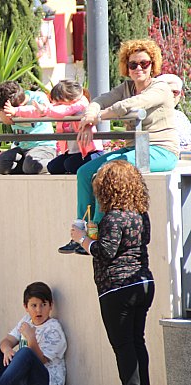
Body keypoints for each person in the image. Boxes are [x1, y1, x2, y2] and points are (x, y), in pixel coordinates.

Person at [60, 39, 179, 255]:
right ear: (127, 67)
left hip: (161, 150)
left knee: (104, 173)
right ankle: (80, 230)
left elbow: (131, 105)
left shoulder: (160, 87)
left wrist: (98, 117)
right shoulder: (126, 87)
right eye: (133, 64)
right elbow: (100, 99)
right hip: (135, 148)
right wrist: (89, 114)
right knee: (84, 172)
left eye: (144, 63)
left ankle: (94, 234)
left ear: (153, 64)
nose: (139, 68)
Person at [70, 160, 153, 385]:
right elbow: (133, 243)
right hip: (143, 283)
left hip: (117, 287)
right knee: (137, 341)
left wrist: (81, 239)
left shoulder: (113, 216)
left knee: (123, 345)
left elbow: (105, 252)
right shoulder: (140, 214)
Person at [7, 80, 104, 174]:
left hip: (91, 153)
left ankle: (99, 164)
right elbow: (37, 111)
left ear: (71, 100)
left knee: (69, 164)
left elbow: (63, 110)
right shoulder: (59, 108)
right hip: (72, 152)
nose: (55, 105)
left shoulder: (82, 105)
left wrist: (45, 110)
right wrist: (16, 111)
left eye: (58, 103)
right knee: (52, 167)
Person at [0, 80, 56, 175]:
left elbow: (43, 109)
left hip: (43, 146)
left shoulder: (38, 97)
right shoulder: (8, 104)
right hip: (22, 148)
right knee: (0, 164)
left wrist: (16, 111)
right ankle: (27, 166)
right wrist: (2, 114)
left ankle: (54, 163)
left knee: (31, 166)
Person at [155, 73, 191, 152]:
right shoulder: (151, 116)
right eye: (167, 91)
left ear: (179, 96)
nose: (171, 96)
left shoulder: (180, 116)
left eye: (175, 92)